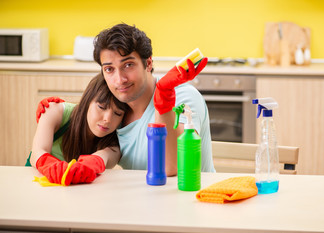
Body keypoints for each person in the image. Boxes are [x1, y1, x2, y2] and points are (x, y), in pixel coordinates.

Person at [38, 23, 216, 176]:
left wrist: (164, 98)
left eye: (128, 65)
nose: (119, 79)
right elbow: (89, 114)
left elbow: (174, 169)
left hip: (190, 203)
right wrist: (55, 109)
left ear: (148, 64)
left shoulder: (183, 97)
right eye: (109, 69)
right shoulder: (116, 113)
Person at [29, 73, 129, 185]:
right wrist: (52, 167)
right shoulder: (54, 111)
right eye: (101, 107)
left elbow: (103, 157)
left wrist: (88, 166)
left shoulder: (117, 139)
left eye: (118, 113)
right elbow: (37, 153)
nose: (107, 119)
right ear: (87, 101)